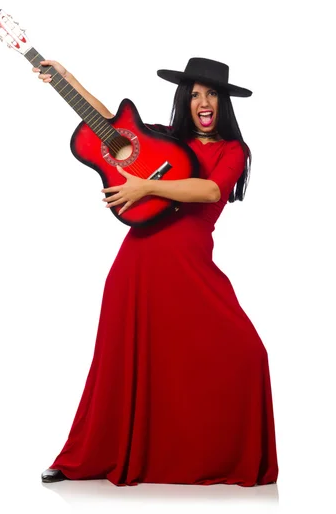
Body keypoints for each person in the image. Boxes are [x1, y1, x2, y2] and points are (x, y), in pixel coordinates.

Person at [33, 57, 279, 487]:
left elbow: (210, 189)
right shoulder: (166, 140)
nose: (203, 101)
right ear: (185, 101)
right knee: (118, 361)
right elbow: (109, 124)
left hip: (190, 262)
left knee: (247, 353)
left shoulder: (232, 150)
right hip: (138, 260)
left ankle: (219, 453)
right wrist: (67, 79)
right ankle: (89, 454)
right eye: (196, 94)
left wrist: (146, 186)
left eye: (212, 94)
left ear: (223, 102)